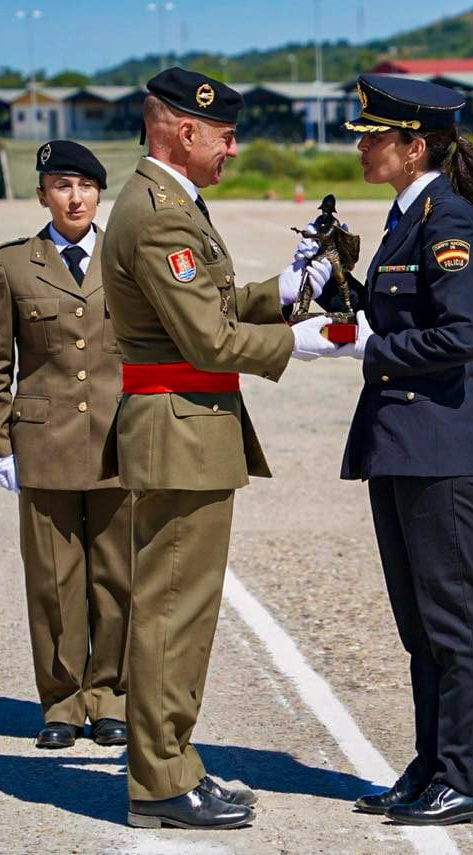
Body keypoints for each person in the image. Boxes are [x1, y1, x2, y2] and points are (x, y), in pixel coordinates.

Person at [98, 67, 338, 830]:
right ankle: (161, 781)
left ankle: (172, 764)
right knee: (174, 609)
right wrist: (301, 341)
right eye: (225, 134)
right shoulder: (160, 212)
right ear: (183, 130)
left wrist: (284, 288)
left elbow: (213, 301)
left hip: (185, 428)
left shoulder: (167, 202)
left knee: (181, 607)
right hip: (179, 429)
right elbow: (208, 336)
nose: (233, 148)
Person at [337, 73, 473, 826]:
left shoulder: (448, 218)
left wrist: (372, 346)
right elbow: (395, 310)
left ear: (415, 146)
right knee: (417, 623)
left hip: (437, 442)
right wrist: (338, 289)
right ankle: (433, 761)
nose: (365, 146)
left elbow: (462, 334)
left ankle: (467, 776)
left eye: (376, 136)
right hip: (399, 442)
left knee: (452, 619)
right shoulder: (406, 218)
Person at [0, 140, 131, 750]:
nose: (75, 197)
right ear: (42, 194)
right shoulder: (12, 264)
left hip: (118, 441)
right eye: (62, 186)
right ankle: (63, 702)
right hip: (43, 446)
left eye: (86, 187)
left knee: (119, 579)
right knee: (54, 583)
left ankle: (112, 696)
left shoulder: (124, 258)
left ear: (99, 193)